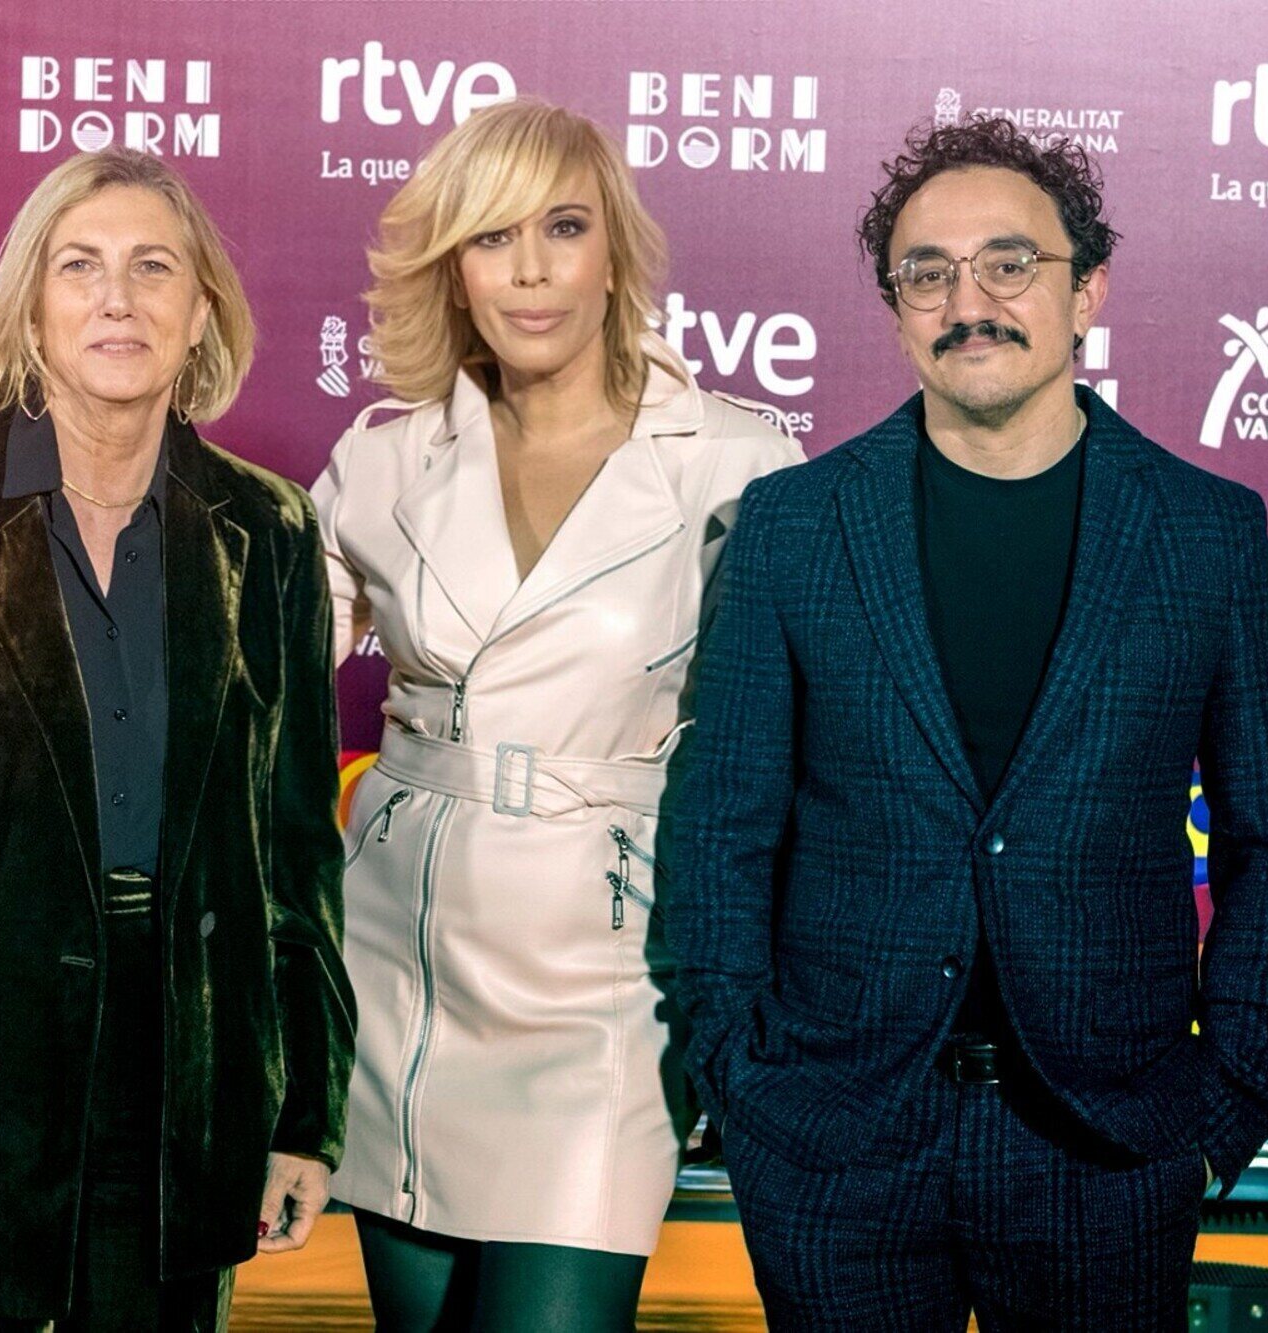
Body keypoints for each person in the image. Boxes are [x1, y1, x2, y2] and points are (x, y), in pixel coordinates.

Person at [665, 114, 1268, 1331]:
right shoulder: (792, 528)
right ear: (895, 305)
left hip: (1108, 1145)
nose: (969, 301)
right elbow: (718, 825)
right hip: (833, 1139)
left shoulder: (1205, 534)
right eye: (928, 272)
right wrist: (738, 1076)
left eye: (1009, 263)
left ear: (1087, 293)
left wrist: (1221, 1102)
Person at [0, 147, 354, 1331]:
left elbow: (297, 855)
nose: (116, 297)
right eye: (78, 265)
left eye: (154, 268)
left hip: (185, 1091)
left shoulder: (270, 530)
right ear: (31, 307)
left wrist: (303, 1112)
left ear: (199, 313)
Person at [309, 99, 802, 1332]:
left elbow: (789, 746)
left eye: (562, 228)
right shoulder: (382, 461)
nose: (529, 270)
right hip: (402, 957)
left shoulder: (736, 463)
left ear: (613, 253)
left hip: (608, 974)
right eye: (490, 238)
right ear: (451, 270)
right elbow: (247, 694)